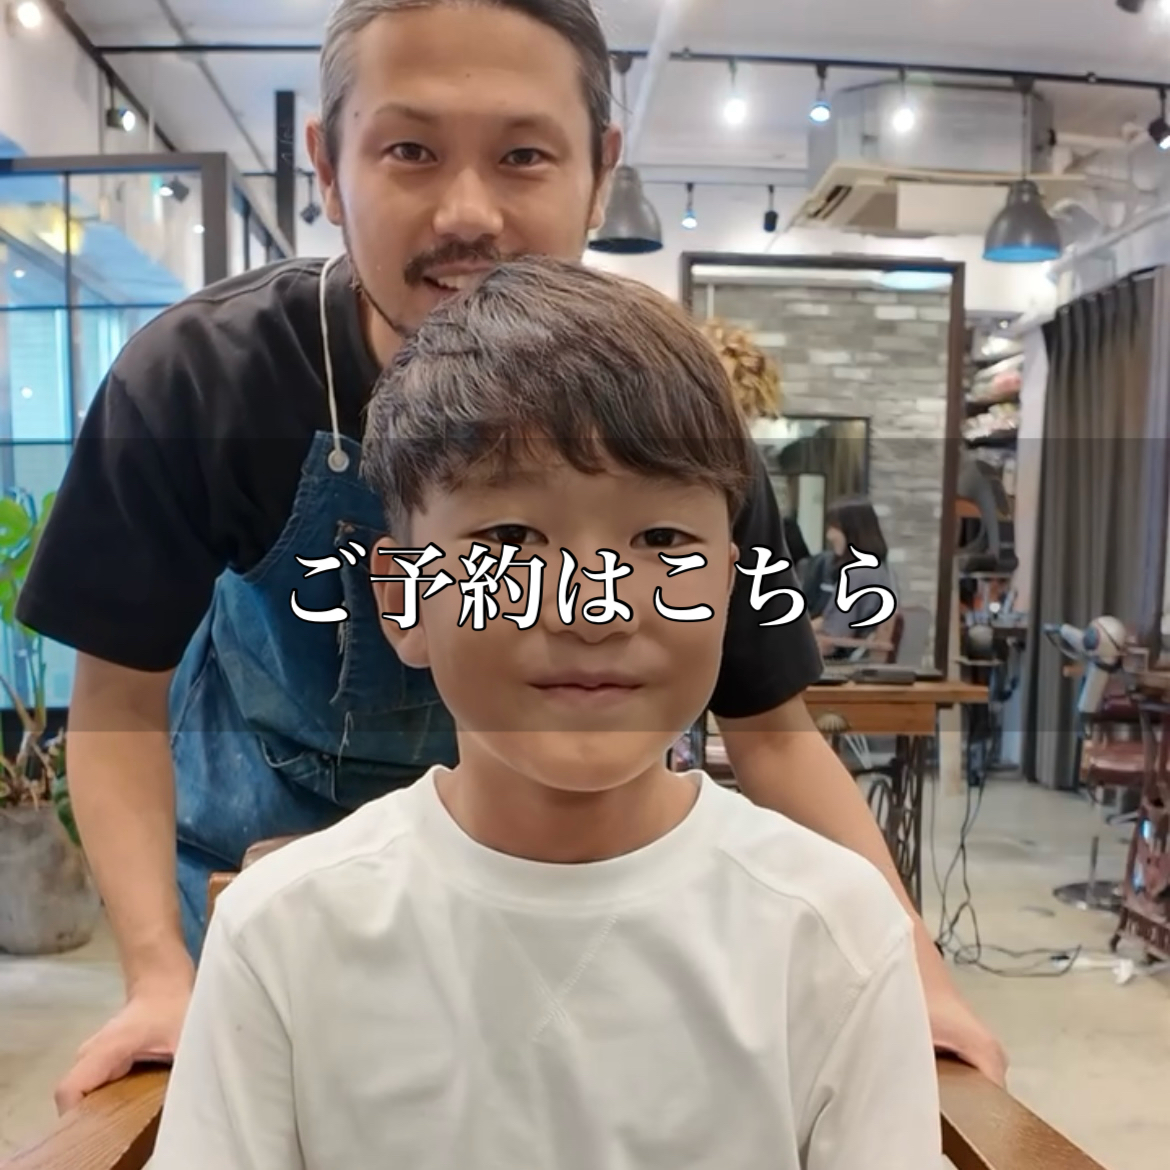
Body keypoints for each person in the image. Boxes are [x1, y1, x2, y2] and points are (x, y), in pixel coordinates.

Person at [15, 0, 1004, 1114]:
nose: (468, 212)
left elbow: (771, 730)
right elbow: (119, 704)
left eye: (524, 155)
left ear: (600, 170)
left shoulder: (660, 415)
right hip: (269, 892)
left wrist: (910, 966)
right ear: (328, 168)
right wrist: (160, 973)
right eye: (410, 150)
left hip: (572, 897)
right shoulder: (199, 382)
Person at [147, 256, 943, 1170]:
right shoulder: (282, 932)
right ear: (401, 600)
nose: (592, 609)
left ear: (727, 590)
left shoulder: (834, 933)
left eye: (661, 540)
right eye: (511, 539)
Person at [811, 498, 900, 659]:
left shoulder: (857, 574)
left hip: (845, 663)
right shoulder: (880, 570)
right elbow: (832, 620)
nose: (829, 535)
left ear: (853, 531)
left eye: (834, 528)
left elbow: (833, 637)